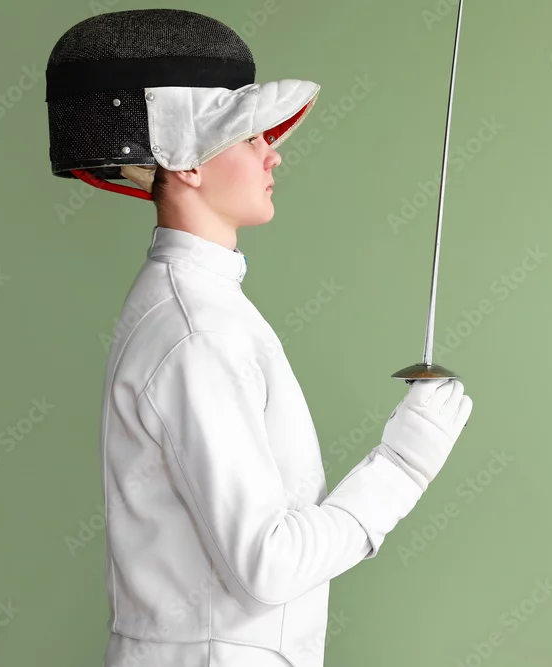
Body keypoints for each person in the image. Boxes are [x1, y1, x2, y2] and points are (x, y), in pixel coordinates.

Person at [45, 9, 473, 667]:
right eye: (248, 137)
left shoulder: (203, 308)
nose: (273, 152)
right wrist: (404, 465)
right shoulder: (197, 332)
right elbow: (267, 564)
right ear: (187, 162)